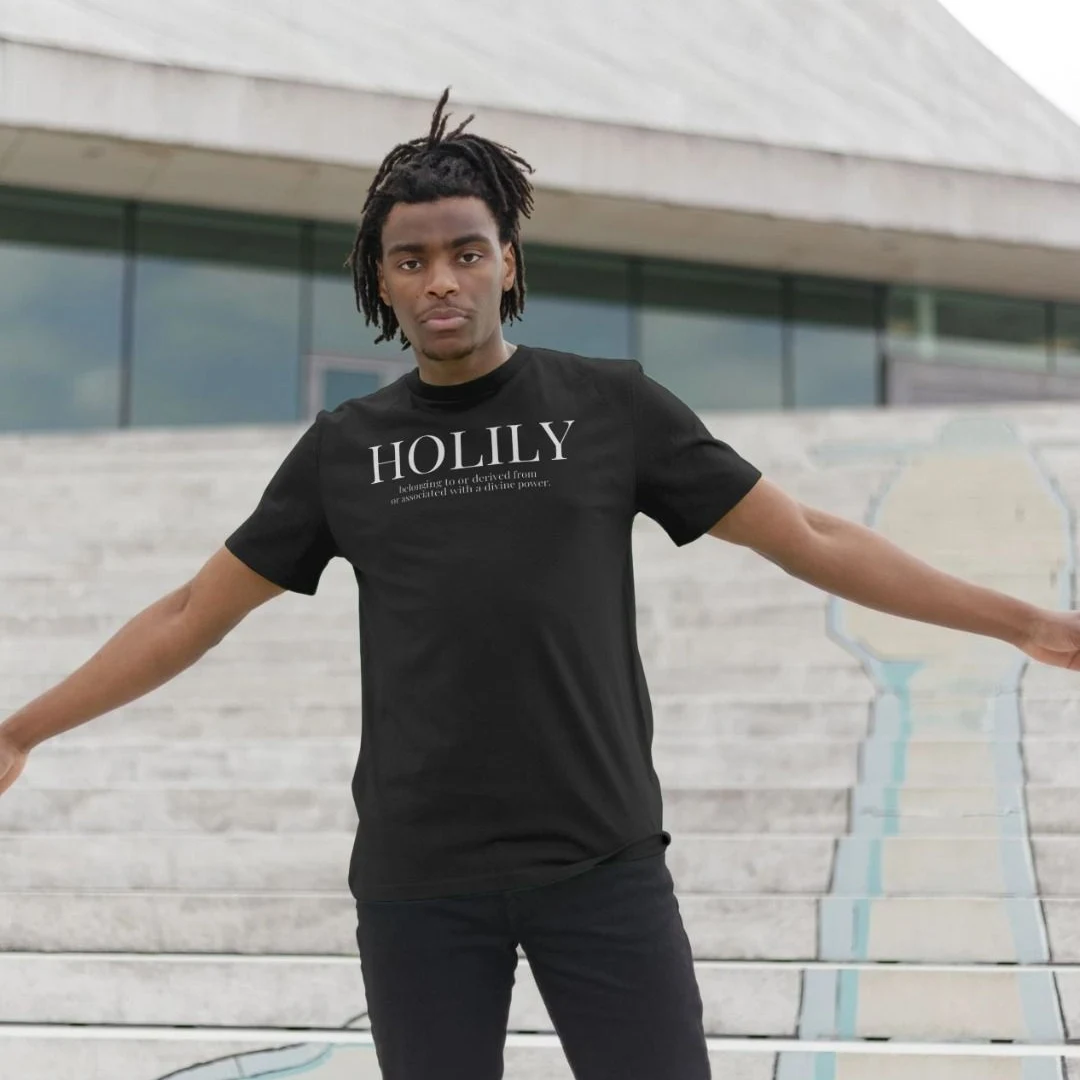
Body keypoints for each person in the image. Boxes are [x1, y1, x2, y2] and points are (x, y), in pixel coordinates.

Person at [2, 88, 1079, 1080]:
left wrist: (1021, 620)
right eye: (413, 260)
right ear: (381, 280)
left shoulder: (610, 407)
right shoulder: (345, 449)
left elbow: (808, 534)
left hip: (601, 862)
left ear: (507, 263)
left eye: (466, 253)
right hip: (419, 882)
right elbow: (192, 613)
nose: (442, 280)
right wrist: (21, 731)